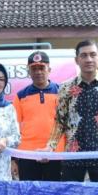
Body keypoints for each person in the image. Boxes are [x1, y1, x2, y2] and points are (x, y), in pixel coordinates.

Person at [44, 40, 98, 183]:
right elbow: (60, 121)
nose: (89, 59)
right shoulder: (65, 88)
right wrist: (50, 146)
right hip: (73, 153)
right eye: (84, 55)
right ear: (77, 60)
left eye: (93, 55)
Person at [13, 51, 63, 181]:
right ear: (29, 72)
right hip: (27, 154)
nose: (38, 72)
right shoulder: (20, 96)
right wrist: (14, 159)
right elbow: (14, 129)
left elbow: (67, 125)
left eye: (41, 68)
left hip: (56, 154)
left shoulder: (62, 93)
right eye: (33, 69)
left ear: (49, 69)